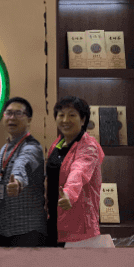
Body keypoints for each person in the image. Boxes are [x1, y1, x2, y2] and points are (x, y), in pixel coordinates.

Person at [46, 95, 104, 246]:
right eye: (61, 115)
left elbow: (79, 171)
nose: (65, 120)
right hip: (55, 221)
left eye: (72, 115)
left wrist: (69, 194)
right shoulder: (58, 143)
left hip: (78, 227)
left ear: (83, 120)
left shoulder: (89, 146)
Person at [0, 97, 47, 247]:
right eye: (9, 113)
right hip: (5, 228)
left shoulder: (32, 147)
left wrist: (17, 182)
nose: (12, 118)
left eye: (18, 113)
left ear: (29, 120)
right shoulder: (4, 149)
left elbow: (22, 164)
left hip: (28, 230)